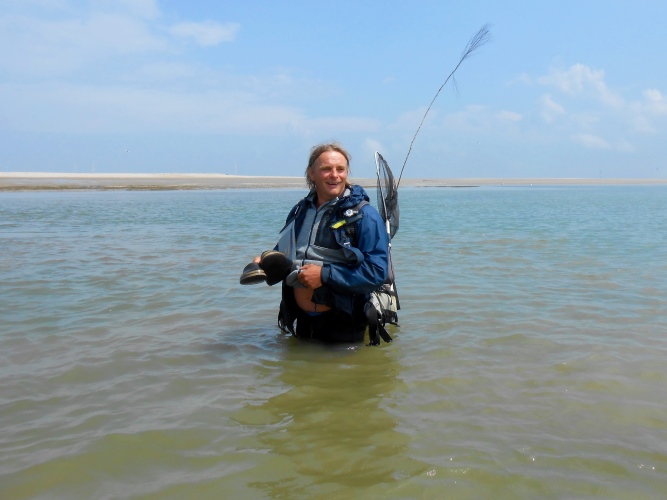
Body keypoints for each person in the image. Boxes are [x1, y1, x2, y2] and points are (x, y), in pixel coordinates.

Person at [248, 142, 390, 343]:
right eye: (326, 169)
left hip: (343, 322)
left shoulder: (365, 216)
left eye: (340, 169)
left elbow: (377, 272)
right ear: (311, 173)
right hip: (301, 320)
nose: (335, 175)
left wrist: (324, 275)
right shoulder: (299, 210)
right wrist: (266, 260)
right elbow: (287, 251)